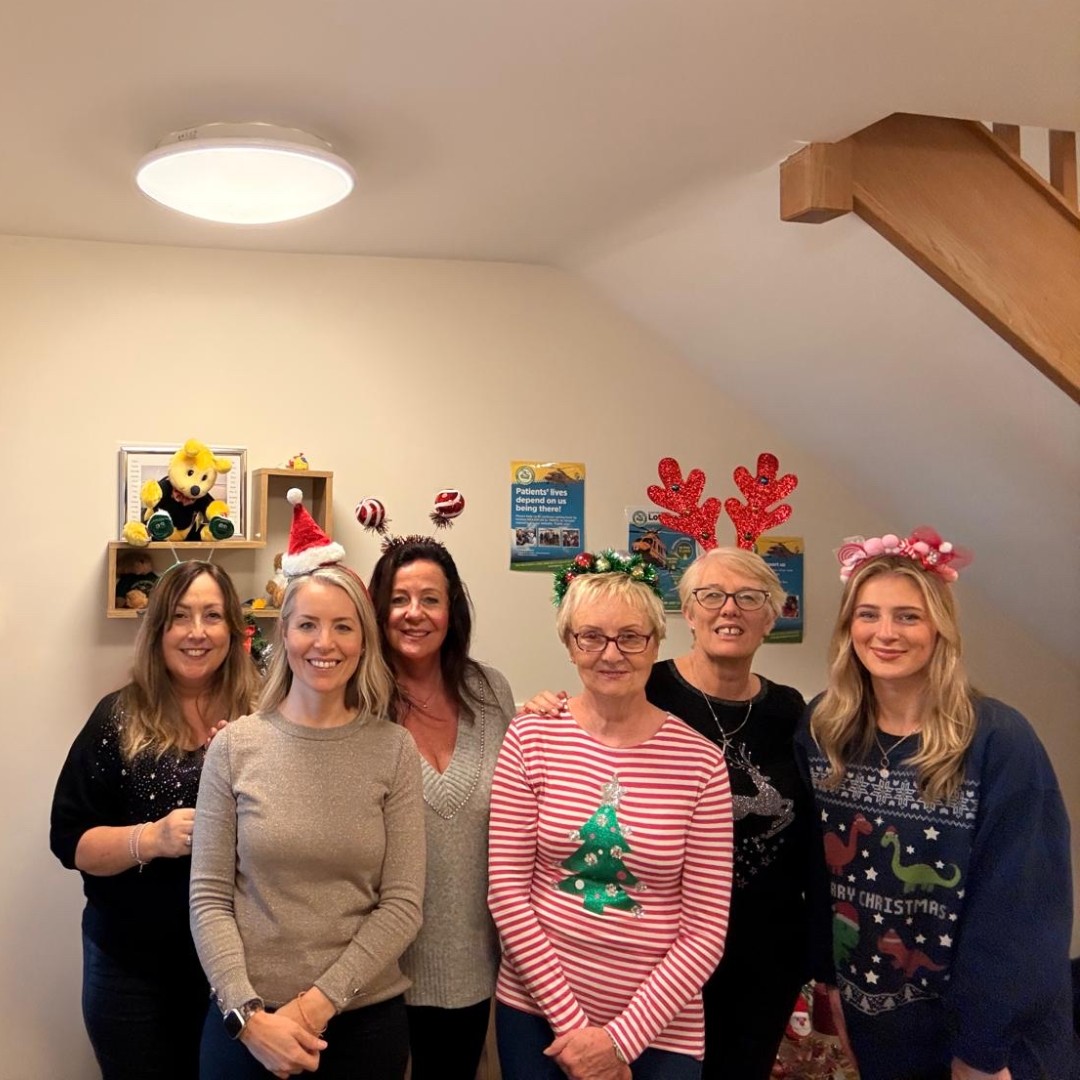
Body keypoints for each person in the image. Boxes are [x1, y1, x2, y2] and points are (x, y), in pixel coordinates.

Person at [525, 546, 816, 1079]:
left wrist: (819, 961)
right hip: (652, 965)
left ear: (773, 616)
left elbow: (810, 845)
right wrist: (542, 706)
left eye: (750, 598)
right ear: (686, 611)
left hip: (759, 958)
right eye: (712, 595)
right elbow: (580, 741)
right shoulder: (641, 681)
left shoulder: (791, 712)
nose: (730, 609)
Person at [797, 528, 1075, 1080]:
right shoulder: (822, 729)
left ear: (939, 629)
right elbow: (810, 874)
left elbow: (1021, 911)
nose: (885, 633)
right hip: (871, 1026)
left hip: (980, 1038)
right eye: (868, 614)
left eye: (908, 616)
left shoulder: (997, 740)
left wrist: (982, 1050)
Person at [190, 495, 425, 1080]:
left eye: (343, 627)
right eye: (308, 626)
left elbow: (401, 904)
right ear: (285, 635)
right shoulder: (236, 746)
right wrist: (248, 1016)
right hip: (244, 1027)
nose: (326, 644)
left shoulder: (393, 749)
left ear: (364, 640)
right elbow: (209, 900)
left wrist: (312, 1007)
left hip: (361, 1023)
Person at [490, 551, 734, 1080]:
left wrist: (618, 1043)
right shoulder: (531, 736)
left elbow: (706, 929)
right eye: (591, 637)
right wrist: (576, 1029)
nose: (611, 654)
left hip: (662, 1031)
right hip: (537, 1018)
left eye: (631, 636)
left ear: (655, 641)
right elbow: (507, 891)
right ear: (569, 643)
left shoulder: (702, 763)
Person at [50, 560, 259, 1080]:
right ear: (158, 629)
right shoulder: (117, 718)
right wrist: (152, 838)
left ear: (233, 632)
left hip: (239, 968)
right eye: (180, 616)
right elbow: (69, 841)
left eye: (212, 616)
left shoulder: (263, 721)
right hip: (130, 969)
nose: (196, 632)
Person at [368, 536, 516, 1080]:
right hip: (376, 974)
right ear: (378, 610)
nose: (414, 614)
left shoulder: (490, 692)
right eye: (399, 599)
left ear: (452, 611)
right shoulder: (355, 700)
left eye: (430, 599)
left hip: (474, 967)